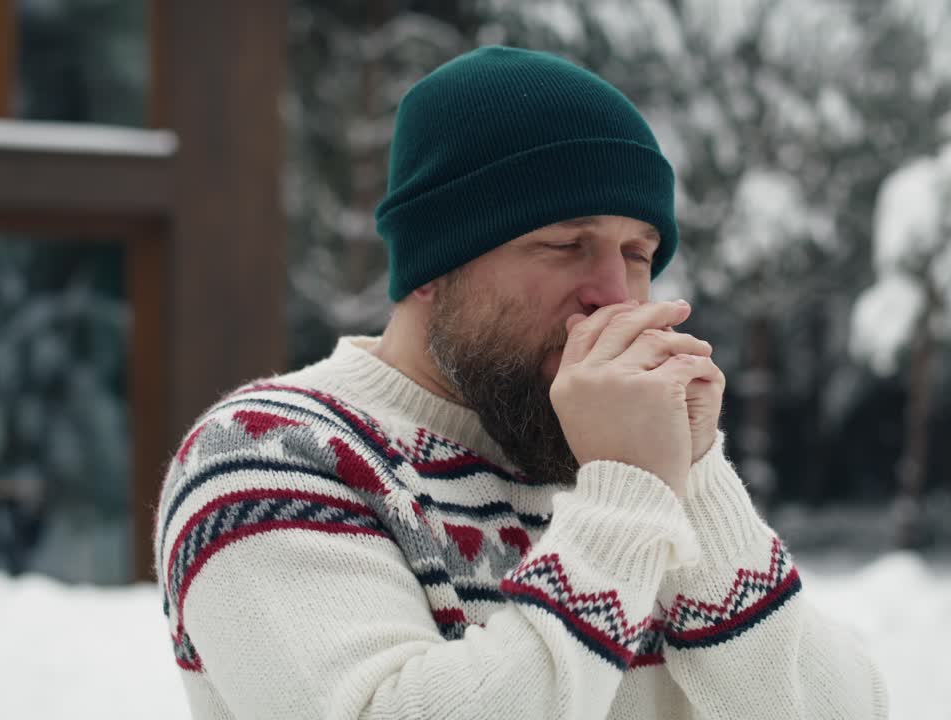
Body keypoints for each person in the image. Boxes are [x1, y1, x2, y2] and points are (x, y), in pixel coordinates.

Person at [154, 45, 887, 719]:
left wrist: (692, 475)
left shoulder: (608, 452)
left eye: (638, 253)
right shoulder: (266, 456)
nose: (616, 295)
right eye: (565, 243)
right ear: (434, 265)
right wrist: (624, 503)